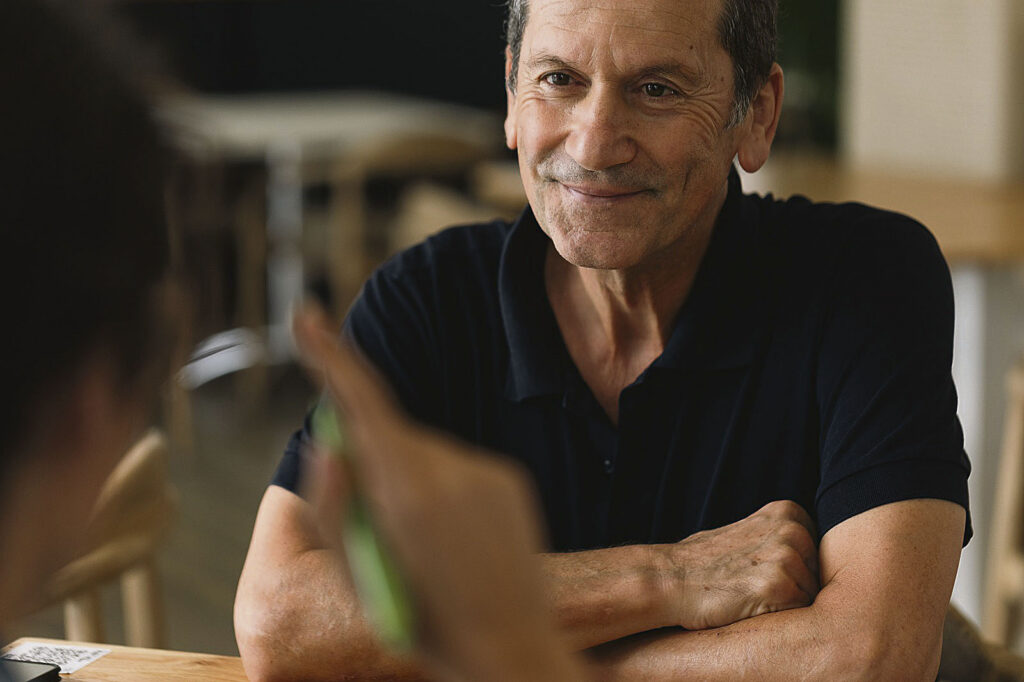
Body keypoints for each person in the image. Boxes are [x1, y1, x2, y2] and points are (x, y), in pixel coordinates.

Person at [235, 0, 970, 680]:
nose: (593, 142)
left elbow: (874, 654)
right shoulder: (427, 299)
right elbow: (278, 617)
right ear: (511, 97)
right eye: (558, 79)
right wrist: (665, 580)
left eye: (657, 89)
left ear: (757, 117)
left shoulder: (866, 279)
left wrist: (515, 654)